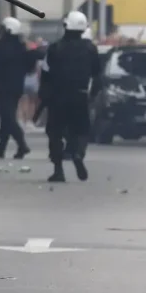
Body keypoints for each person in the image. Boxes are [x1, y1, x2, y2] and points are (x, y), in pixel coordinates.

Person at [41, 11, 101, 182]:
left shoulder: (54, 48)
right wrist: (91, 96)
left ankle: (58, 170)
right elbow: (97, 76)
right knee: (81, 130)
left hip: (57, 97)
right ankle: (78, 154)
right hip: (80, 96)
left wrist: (44, 96)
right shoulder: (91, 49)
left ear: (66, 26)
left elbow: (45, 73)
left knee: (55, 133)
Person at [0, 17, 35, 159]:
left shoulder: (0, 47)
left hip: (4, 87)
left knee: (8, 117)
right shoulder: (21, 47)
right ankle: (1, 147)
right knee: (7, 116)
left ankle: (22, 145)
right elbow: (29, 66)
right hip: (17, 87)